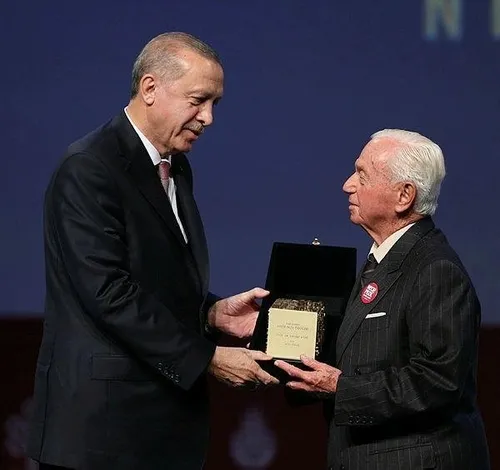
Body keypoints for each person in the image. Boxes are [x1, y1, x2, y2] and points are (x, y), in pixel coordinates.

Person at [26, 32, 278, 470]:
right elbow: (108, 292)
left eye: (215, 103)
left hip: (162, 429)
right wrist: (207, 358)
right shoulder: (89, 167)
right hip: (102, 434)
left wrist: (211, 313)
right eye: (198, 101)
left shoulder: (175, 167)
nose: (208, 118)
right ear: (149, 88)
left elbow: (153, 279)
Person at [275, 129, 490, 469]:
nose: (347, 185)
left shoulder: (435, 269)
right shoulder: (383, 260)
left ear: (404, 196)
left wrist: (340, 388)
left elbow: (439, 381)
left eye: (362, 175)